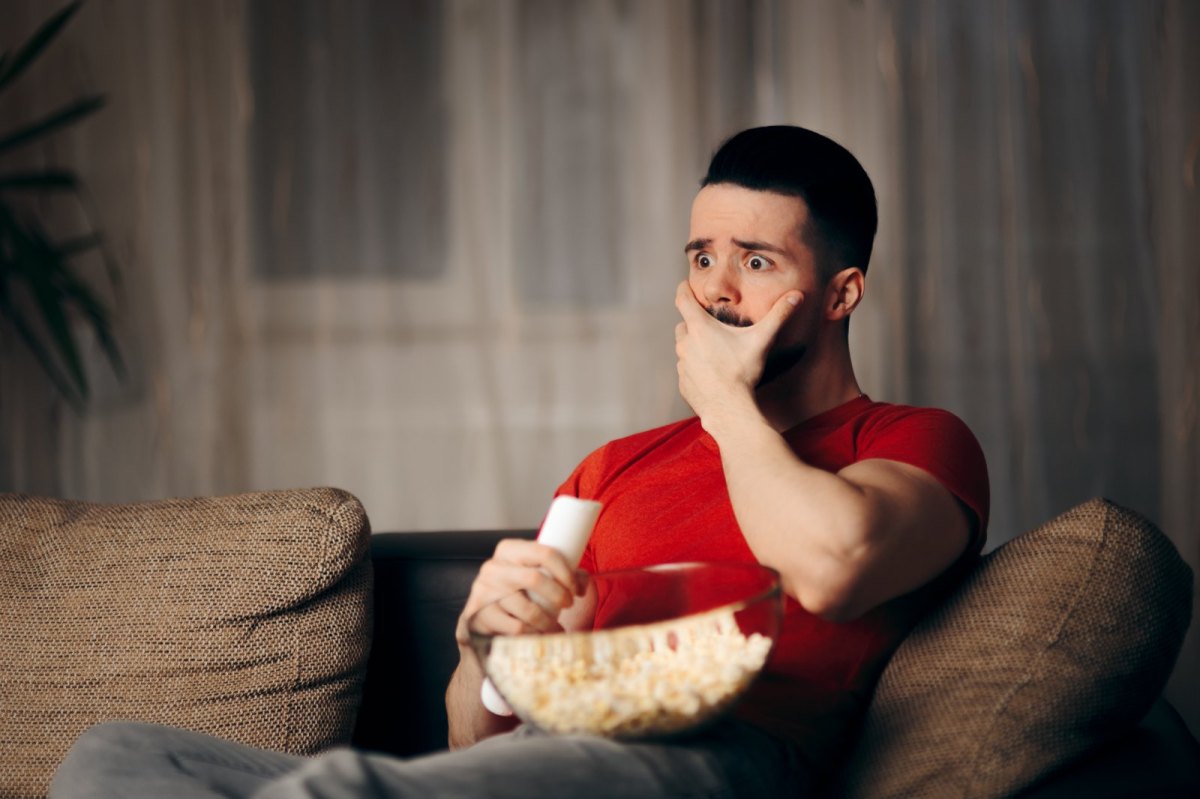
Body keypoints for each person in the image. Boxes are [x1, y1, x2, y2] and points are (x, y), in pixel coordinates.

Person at [51, 126, 988, 799]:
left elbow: (833, 566)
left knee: (334, 787)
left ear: (840, 293)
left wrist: (724, 402)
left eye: (755, 261)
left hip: (718, 754)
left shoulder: (911, 441)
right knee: (118, 757)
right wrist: (486, 649)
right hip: (536, 758)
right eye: (701, 255)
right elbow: (472, 737)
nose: (715, 288)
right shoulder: (612, 468)